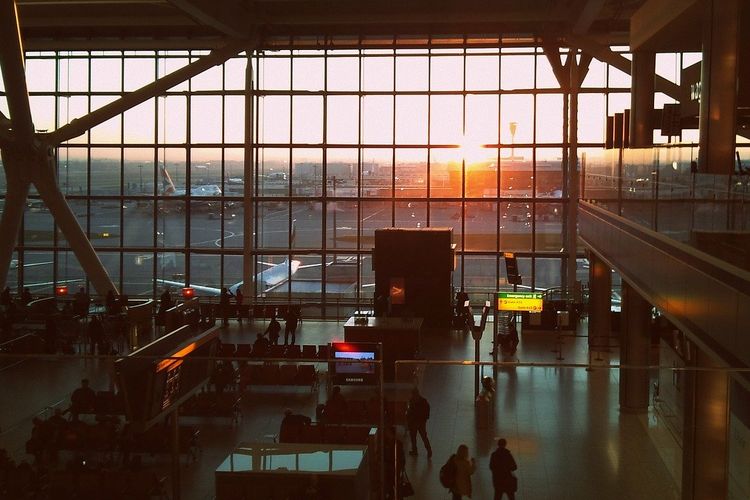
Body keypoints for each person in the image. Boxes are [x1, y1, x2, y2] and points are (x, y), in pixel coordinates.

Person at [406, 387, 432, 458]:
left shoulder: (417, 401)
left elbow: (409, 412)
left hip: (418, 422)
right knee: (420, 437)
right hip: (418, 422)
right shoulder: (423, 401)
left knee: (420, 437)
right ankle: (427, 450)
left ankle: (424, 451)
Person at [383, 426, 405, 500]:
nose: (385, 433)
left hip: (393, 468)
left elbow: (400, 458)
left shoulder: (395, 444)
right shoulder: (388, 443)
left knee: (393, 485)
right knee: (393, 485)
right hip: (392, 468)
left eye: (387, 432)